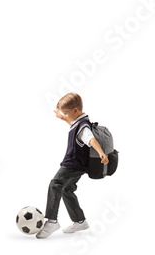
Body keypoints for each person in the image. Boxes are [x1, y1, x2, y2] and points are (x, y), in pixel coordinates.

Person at [36, 93, 108, 239]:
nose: (66, 115)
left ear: (76, 110)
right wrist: (63, 118)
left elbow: (90, 139)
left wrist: (101, 152)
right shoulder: (79, 122)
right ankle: (80, 221)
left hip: (72, 165)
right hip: (77, 166)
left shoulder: (84, 127)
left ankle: (52, 221)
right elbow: (74, 126)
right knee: (66, 190)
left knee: (55, 184)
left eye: (67, 113)